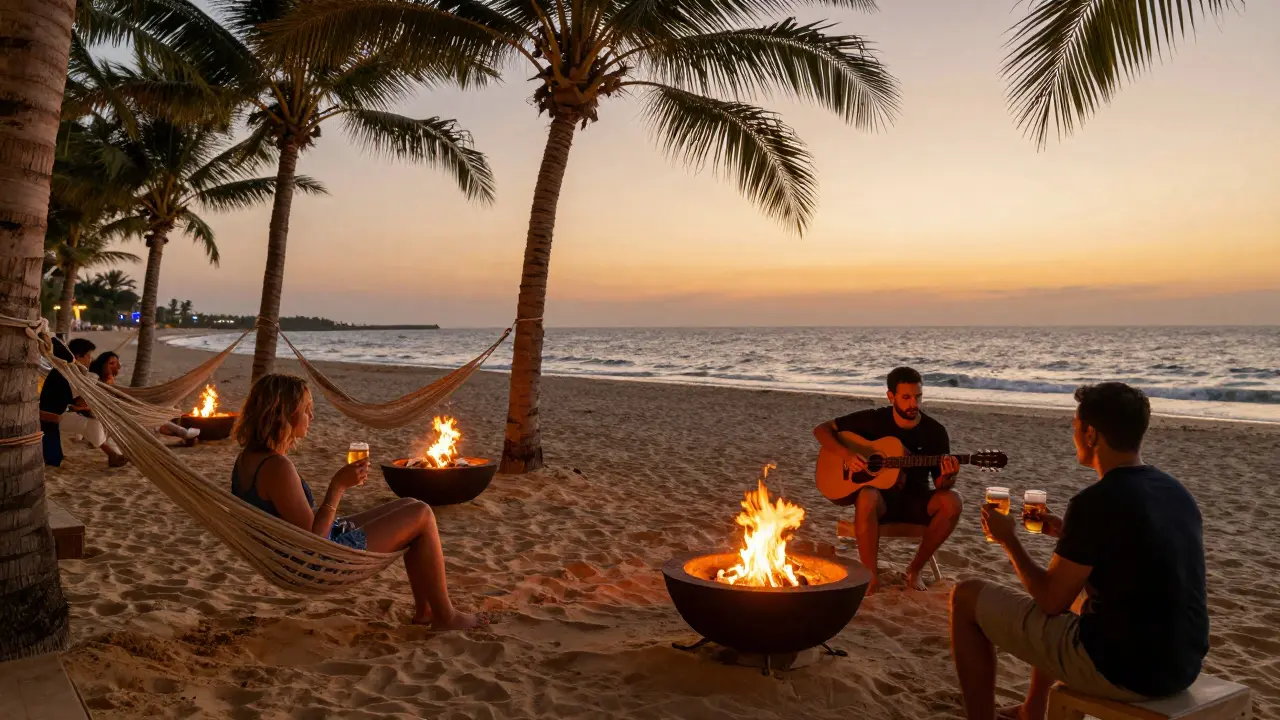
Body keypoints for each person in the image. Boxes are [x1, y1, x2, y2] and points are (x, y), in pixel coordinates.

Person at [949, 382, 1208, 720]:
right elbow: (1134, 559)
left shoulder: (1094, 501)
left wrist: (1008, 539)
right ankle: (1032, 710)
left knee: (966, 596)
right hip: (1182, 665)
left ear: (1091, 434)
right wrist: (1068, 534)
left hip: (1123, 672)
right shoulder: (1176, 492)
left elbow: (1050, 601)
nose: (1073, 434)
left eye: (1075, 425)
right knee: (1078, 599)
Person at [231, 373, 486, 630]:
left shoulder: (247, 460)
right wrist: (338, 486)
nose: (312, 416)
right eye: (306, 409)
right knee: (421, 513)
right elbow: (315, 541)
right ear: (284, 414)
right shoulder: (277, 467)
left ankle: (426, 612)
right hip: (316, 562)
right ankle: (446, 617)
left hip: (291, 554)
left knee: (409, 504)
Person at [813, 366, 962, 592]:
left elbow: (940, 484)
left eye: (918, 397)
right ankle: (871, 577)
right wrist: (847, 454)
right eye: (906, 397)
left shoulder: (934, 432)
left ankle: (915, 570)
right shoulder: (874, 420)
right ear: (891, 396)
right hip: (880, 504)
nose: (914, 404)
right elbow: (821, 430)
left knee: (953, 500)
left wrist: (949, 476)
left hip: (917, 501)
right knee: (867, 495)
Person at [39, 338, 129, 468]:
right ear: (77, 356)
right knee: (92, 425)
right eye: (88, 356)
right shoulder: (69, 373)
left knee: (97, 423)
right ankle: (113, 454)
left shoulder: (67, 370)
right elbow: (80, 402)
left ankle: (114, 454)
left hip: (59, 413)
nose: (90, 360)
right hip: (49, 418)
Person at [88, 351, 201, 442]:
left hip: (117, 412)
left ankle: (183, 434)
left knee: (151, 418)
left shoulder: (108, 381)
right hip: (107, 415)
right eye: (111, 363)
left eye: (117, 364)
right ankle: (183, 433)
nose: (116, 367)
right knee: (148, 419)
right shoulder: (95, 381)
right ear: (101, 365)